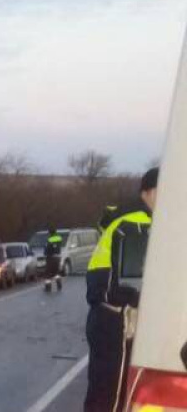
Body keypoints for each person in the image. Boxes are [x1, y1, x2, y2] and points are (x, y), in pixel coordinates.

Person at [83, 167, 158, 412]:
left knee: (104, 391)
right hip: (117, 319)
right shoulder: (137, 223)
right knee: (111, 396)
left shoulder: (125, 219)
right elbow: (134, 283)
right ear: (149, 192)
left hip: (107, 317)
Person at [44, 226, 65, 292]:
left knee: (48, 273)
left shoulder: (49, 239)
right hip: (58, 257)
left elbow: (47, 249)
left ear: (50, 233)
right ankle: (59, 285)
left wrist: (45, 253)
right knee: (56, 272)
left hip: (50, 257)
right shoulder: (59, 238)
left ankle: (48, 287)